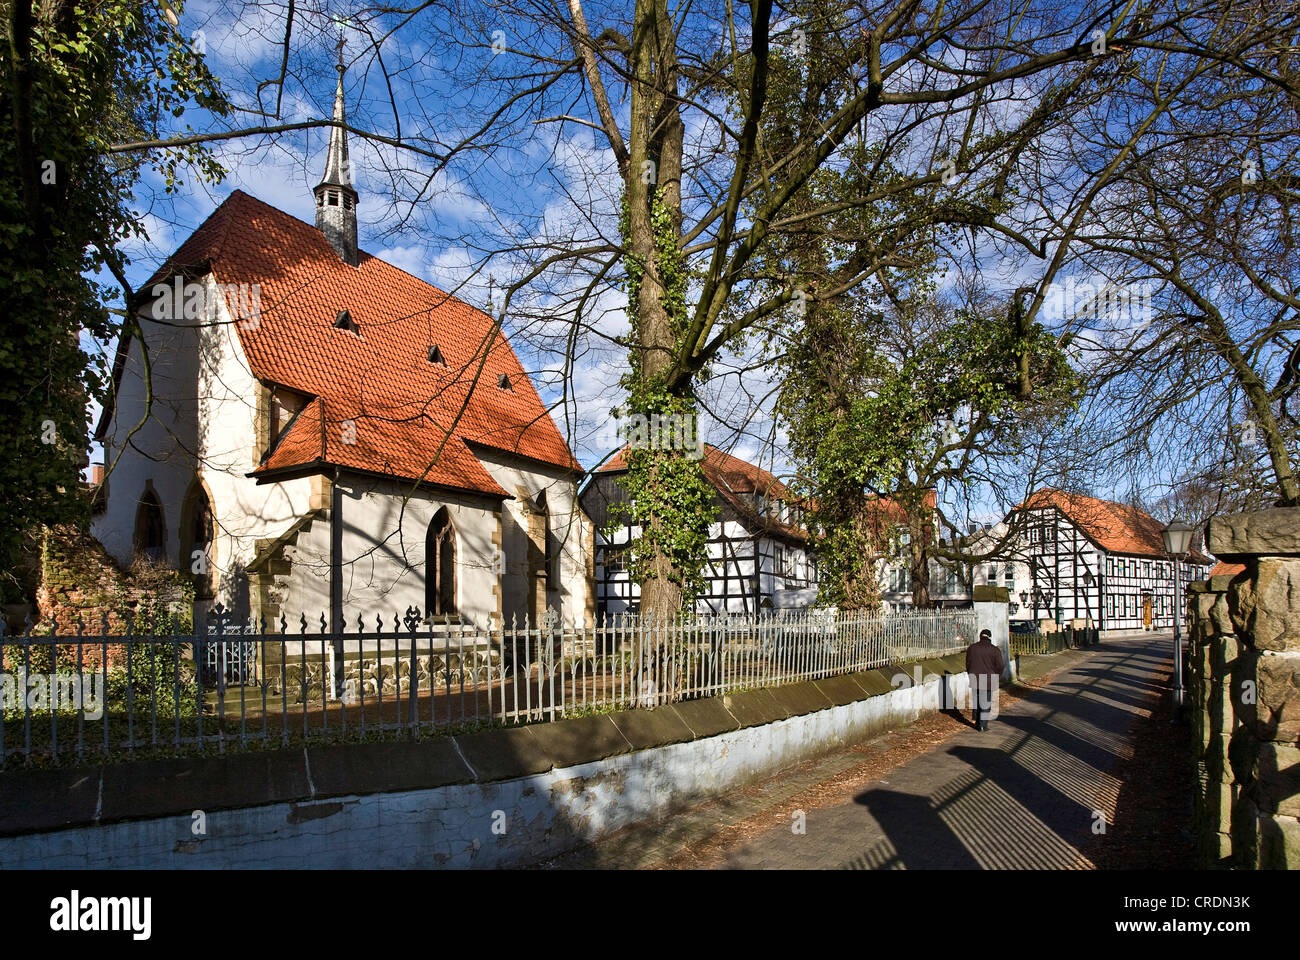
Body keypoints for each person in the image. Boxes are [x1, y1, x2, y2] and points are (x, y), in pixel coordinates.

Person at [965, 628, 1005, 731]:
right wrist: (996, 676)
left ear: (980, 636)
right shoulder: (995, 650)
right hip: (988, 679)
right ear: (990, 637)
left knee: (977, 701)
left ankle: (977, 723)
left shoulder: (972, 648)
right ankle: (983, 725)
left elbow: (968, 663)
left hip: (975, 678)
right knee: (985, 703)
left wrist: (971, 674)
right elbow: (1000, 666)